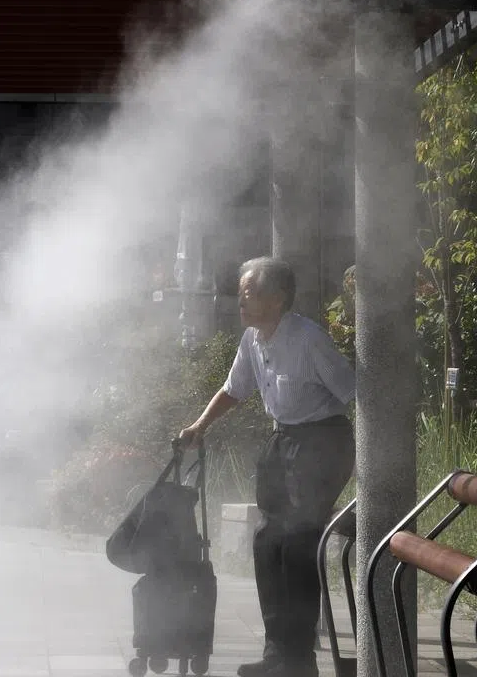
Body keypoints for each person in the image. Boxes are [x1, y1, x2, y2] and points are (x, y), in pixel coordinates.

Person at [178, 257, 355, 677]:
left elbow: (353, 392)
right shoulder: (253, 339)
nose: (241, 298)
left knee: (296, 545)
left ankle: (300, 660)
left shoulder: (309, 340)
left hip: (322, 441)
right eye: (241, 290)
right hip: (284, 440)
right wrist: (199, 426)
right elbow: (234, 389)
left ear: (277, 299)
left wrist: (366, 461)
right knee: (266, 544)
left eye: (250, 291)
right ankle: (278, 652)